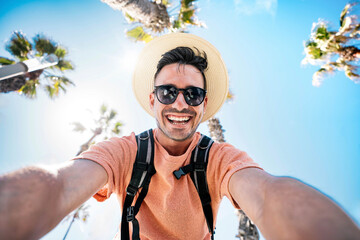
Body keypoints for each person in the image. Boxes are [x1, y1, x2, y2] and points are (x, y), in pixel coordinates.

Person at [0, 33, 359, 240]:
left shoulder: (220, 158)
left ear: (203, 106)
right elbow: (61, 184)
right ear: (153, 99)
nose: (180, 103)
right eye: (169, 92)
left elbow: (267, 196)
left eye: (193, 94)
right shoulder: (125, 151)